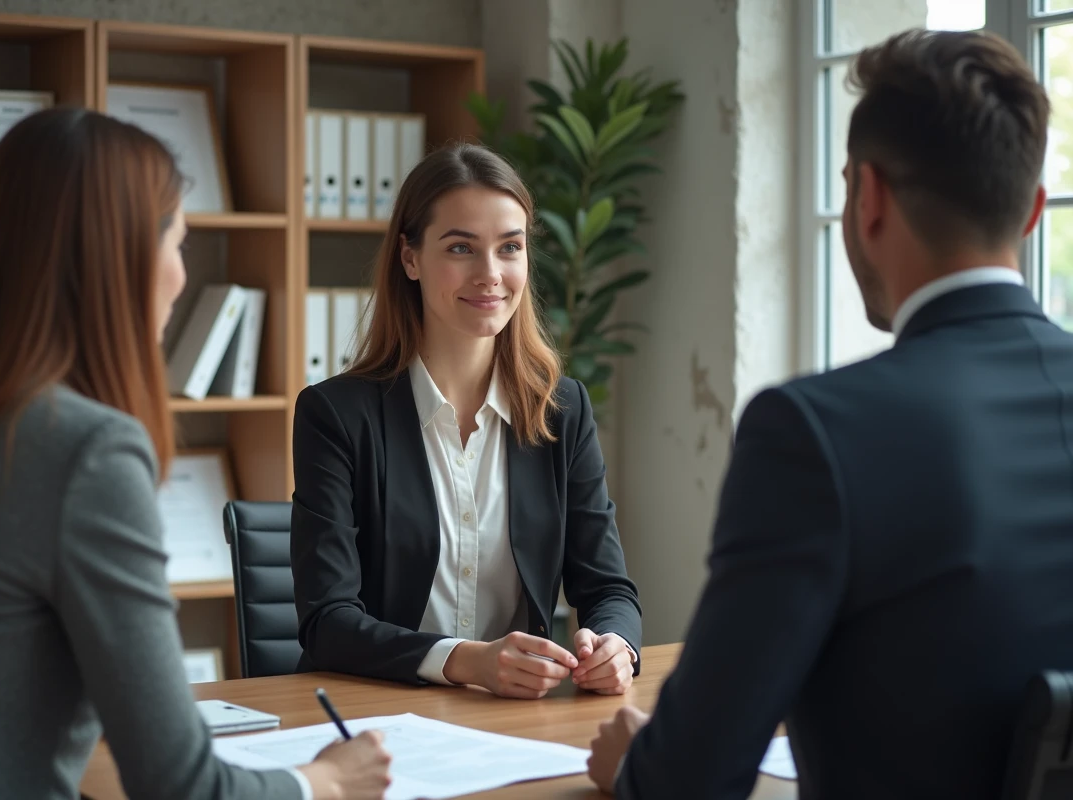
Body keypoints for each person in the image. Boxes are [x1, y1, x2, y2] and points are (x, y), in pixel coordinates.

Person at [587, 28, 1073, 799]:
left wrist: (635, 770)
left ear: (868, 195)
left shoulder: (816, 432)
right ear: (1033, 212)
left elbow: (692, 778)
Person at [0, 107, 390, 800]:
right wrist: (323, 781)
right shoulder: (85, 452)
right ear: (117, 259)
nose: (181, 276)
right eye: (177, 243)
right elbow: (180, 786)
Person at [290, 143, 642, 699]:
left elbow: (607, 587)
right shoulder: (335, 415)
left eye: (510, 248)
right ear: (410, 258)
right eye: (461, 248)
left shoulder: (562, 411)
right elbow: (328, 622)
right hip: (377, 717)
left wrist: (617, 647)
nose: (490, 275)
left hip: (517, 722)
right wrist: (466, 662)